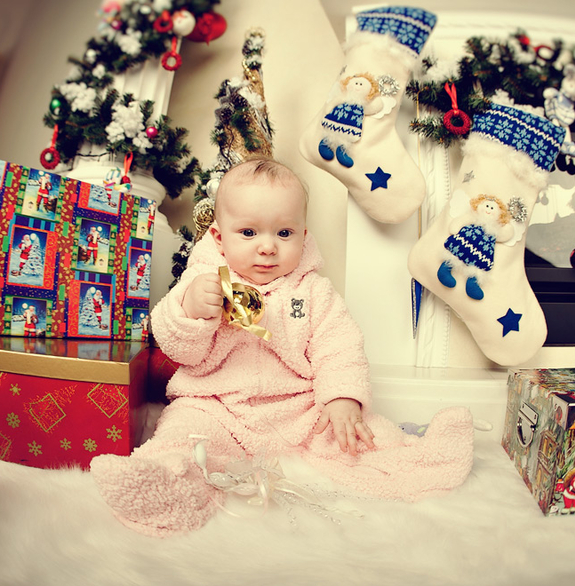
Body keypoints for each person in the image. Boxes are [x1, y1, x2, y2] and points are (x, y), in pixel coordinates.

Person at [90, 158, 474, 537]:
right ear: (219, 238)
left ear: (303, 236)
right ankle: (164, 485)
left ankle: (423, 460)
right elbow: (178, 349)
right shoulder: (202, 283)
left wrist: (342, 398)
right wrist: (190, 311)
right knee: (183, 435)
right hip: (216, 406)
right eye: (248, 232)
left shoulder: (313, 291)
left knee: (356, 434)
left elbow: (339, 346)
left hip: (298, 411)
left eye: (284, 233)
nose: (267, 247)